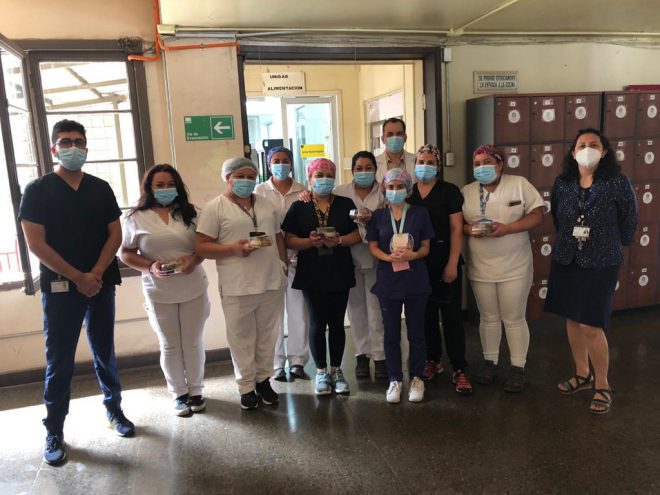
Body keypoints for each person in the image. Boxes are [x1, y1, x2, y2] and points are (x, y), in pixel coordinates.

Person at [18, 119, 134, 466]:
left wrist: (94, 274)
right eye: (66, 142)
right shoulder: (37, 190)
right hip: (60, 288)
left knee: (104, 350)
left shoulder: (100, 188)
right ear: (54, 148)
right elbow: (36, 244)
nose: (73, 147)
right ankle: (54, 429)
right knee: (60, 359)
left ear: (86, 148)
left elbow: (115, 235)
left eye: (78, 142)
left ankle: (114, 410)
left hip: (100, 283)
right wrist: (76, 277)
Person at [544, 128, 637, 414]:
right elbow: (558, 217)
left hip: (601, 260)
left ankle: (602, 384)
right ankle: (582, 374)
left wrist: (610, 244)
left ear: (604, 151)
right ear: (573, 153)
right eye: (581, 145)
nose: (587, 149)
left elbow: (629, 220)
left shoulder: (617, 182)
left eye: (593, 144)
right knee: (572, 319)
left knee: (590, 324)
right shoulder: (563, 183)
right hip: (567, 257)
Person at [195, 157, 287, 410]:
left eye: (251, 177)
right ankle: (246, 386)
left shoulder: (266, 204)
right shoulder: (215, 208)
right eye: (240, 176)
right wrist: (233, 249)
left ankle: (263, 380)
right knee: (241, 338)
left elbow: (277, 235)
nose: (246, 181)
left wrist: (283, 264)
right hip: (238, 285)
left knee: (268, 335)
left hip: (270, 280)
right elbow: (201, 246)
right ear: (228, 178)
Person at [120, 164, 209, 416]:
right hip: (158, 290)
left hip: (193, 286)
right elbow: (125, 253)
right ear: (149, 188)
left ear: (178, 186)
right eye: (159, 185)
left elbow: (205, 246)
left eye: (170, 184)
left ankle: (196, 391)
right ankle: (179, 394)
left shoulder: (193, 213)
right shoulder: (135, 217)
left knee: (192, 342)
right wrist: (150, 266)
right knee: (169, 345)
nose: (165, 189)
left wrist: (194, 260)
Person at [462, 145, 545, 392]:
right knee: (488, 317)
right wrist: (469, 230)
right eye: (477, 163)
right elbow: (458, 224)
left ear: (500, 165)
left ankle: (518, 367)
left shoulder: (519, 184)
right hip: (481, 266)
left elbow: (538, 215)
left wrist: (507, 228)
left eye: (487, 162)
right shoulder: (466, 192)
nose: (482, 167)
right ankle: (490, 362)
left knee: (513, 318)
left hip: (515, 266)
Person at [281, 158, 362, 396]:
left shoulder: (345, 204)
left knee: (337, 323)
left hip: (339, 269)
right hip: (311, 270)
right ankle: (320, 372)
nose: (324, 179)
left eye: (328, 175)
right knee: (316, 323)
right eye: (319, 175)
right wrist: (309, 242)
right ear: (310, 178)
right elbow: (288, 239)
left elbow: (358, 234)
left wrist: (340, 240)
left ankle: (336, 371)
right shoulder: (300, 205)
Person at [407, 144, 472, 395]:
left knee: (452, 317)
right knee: (426, 316)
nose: (425, 166)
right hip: (417, 263)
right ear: (414, 166)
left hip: (445, 260)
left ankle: (459, 368)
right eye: (420, 162)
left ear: (438, 166)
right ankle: (433, 360)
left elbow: (456, 229)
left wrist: (452, 263)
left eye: (430, 162)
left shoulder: (449, 191)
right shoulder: (408, 192)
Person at [367, 168, 433, 403]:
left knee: (416, 332)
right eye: (391, 187)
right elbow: (373, 246)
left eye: (400, 186)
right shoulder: (378, 216)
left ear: (408, 189)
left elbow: (426, 246)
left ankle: (417, 378)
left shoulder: (420, 213)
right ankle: (394, 378)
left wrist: (413, 255)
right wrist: (388, 257)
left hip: (416, 280)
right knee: (391, 333)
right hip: (389, 281)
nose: (395, 190)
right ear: (384, 189)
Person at [254, 146, 310, 381]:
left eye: (285, 160)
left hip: (299, 258)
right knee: (272, 314)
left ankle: (298, 361)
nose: (280, 164)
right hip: (269, 260)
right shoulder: (258, 191)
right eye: (276, 161)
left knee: (299, 313)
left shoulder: (303, 191)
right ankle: (276, 363)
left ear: (291, 163)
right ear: (268, 165)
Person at [334, 151, 387, 379]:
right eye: (359, 168)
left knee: (377, 309)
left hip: (378, 257)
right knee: (355, 310)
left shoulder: (385, 191)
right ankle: (362, 355)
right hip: (349, 257)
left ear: (375, 169)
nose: (363, 172)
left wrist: (373, 217)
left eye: (368, 168)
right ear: (352, 170)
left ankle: (380, 355)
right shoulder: (340, 192)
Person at [375, 117, 416, 183]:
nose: (395, 137)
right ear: (382, 139)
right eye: (390, 134)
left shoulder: (416, 161)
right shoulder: (374, 163)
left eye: (399, 134)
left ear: (405, 138)